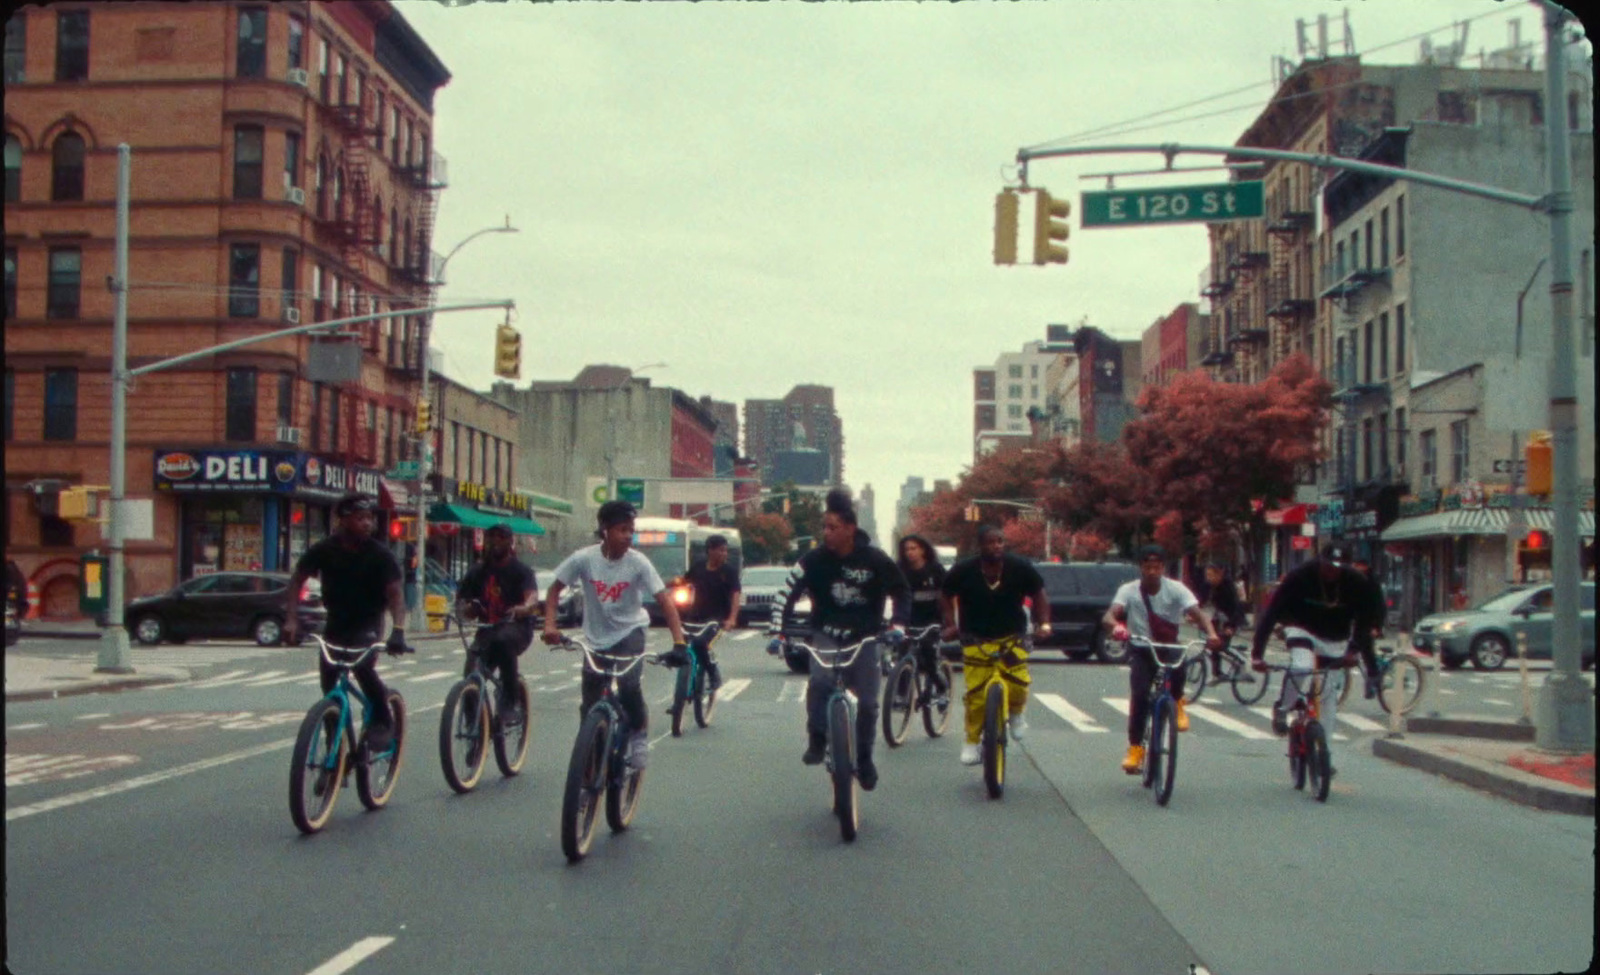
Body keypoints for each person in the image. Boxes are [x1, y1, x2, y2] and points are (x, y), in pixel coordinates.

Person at [770, 488, 908, 791]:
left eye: (832, 527)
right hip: (826, 635)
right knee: (819, 683)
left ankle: (866, 758)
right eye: (824, 527)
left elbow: (901, 591)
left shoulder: (875, 559)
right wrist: (778, 631)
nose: (825, 533)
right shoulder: (813, 560)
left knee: (870, 705)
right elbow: (786, 594)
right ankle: (817, 737)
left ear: (850, 528)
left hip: (866, 638)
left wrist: (898, 623)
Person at [541, 500, 688, 770]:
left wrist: (679, 643)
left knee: (630, 685)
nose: (628, 536)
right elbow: (553, 590)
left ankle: (638, 734)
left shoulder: (638, 563)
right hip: (596, 637)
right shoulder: (584, 559)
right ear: (605, 530)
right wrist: (550, 625)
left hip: (630, 631)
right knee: (589, 703)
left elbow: (665, 600)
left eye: (631, 530)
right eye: (622, 529)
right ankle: (591, 753)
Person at [284, 494, 410, 753]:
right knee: (328, 684)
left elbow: (396, 595)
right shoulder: (324, 550)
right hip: (336, 623)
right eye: (360, 518)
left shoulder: (380, 554)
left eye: (370, 518)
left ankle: (383, 719)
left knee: (363, 668)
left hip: (368, 622)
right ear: (342, 520)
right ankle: (334, 738)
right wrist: (291, 620)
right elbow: (297, 580)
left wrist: (398, 631)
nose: (367, 524)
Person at [1103, 546, 1221, 774]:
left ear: (1163, 569)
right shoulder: (1129, 590)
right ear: (1141, 568)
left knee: (1180, 662)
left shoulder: (1176, 589)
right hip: (1142, 647)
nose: (1152, 572)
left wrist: (1212, 634)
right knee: (1139, 695)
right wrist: (1116, 626)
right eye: (1148, 567)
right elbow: (1110, 614)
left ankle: (1177, 703)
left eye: (1157, 567)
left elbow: (1199, 614)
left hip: (1169, 646)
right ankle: (1136, 749)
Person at [939, 525, 1051, 767]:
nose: (996, 546)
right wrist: (950, 623)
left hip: (1013, 636)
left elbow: (1039, 593)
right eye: (990, 542)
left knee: (1019, 683)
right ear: (980, 546)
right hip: (975, 639)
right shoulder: (964, 570)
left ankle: (1017, 715)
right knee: (976, 696)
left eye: (1000, 541)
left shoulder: (1019, 567)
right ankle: (971, 741)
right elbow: (945, 593)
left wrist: (1044, 623)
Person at [1250, 543, 1385, 739]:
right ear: (1320, 561)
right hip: (1301, 628)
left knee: (1328, 697)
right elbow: (1271, 614)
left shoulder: (1357, 583)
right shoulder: (1300, 576)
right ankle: (1284, 706)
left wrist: (1353, 650)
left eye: (1338, 568)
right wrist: (1257, 655)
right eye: (1328, 566)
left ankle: (1324, 753)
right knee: (1302, 667)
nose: (1331, 571)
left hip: (1335, 637)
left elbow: (1364, 622)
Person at [454, 523, 540, 726]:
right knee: (471, 674)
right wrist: (465, 611)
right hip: (487, 630)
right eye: (491, 537)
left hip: (516, 628)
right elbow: (462, 602)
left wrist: (523, 608)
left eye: (501, 537)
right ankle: (474, 729)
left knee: (503, 642)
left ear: (510, 542)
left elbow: (532, 599)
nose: (495, 542)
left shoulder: (521, 571)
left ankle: (510, 701)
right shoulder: (477, 572)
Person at [669, 533, 739, 697]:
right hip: (696, 616)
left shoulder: (729, 571)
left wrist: (732, 618)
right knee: (682, 643)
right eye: (720, 550)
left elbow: (736, 595)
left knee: (701, 644)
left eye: (725, 551)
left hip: (718, 619)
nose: (724, 554)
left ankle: (713, 673)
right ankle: (685, 681)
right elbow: (684, 581)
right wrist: (662, 584)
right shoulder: (699, 567)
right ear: (710, 551)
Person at [896, 534, 951, 704]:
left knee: (929, 657)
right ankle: (901, 695)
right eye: (906, 549)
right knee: (903, 656)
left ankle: (942, 688)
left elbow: (946, 596)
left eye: (914, 548)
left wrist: (949, 621)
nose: (910, 553)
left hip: (931, 621)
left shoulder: (935, 569)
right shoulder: (900, 570)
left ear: (923, 550)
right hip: (909, 620)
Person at [1195, 563, 1247, 680]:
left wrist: (1231, 627)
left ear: (1219, 574)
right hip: (1218, 618)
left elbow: (1236, 608)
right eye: (1207, 575)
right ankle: (1217, 673)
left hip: (1231, 619)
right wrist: (1192, 614)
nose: (1208, 578)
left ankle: (1241, 660)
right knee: (1213, 643)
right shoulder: (1208, 585)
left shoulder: (1228, 587)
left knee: (1221, 645)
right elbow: (1200, 600)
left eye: (1211, 575)